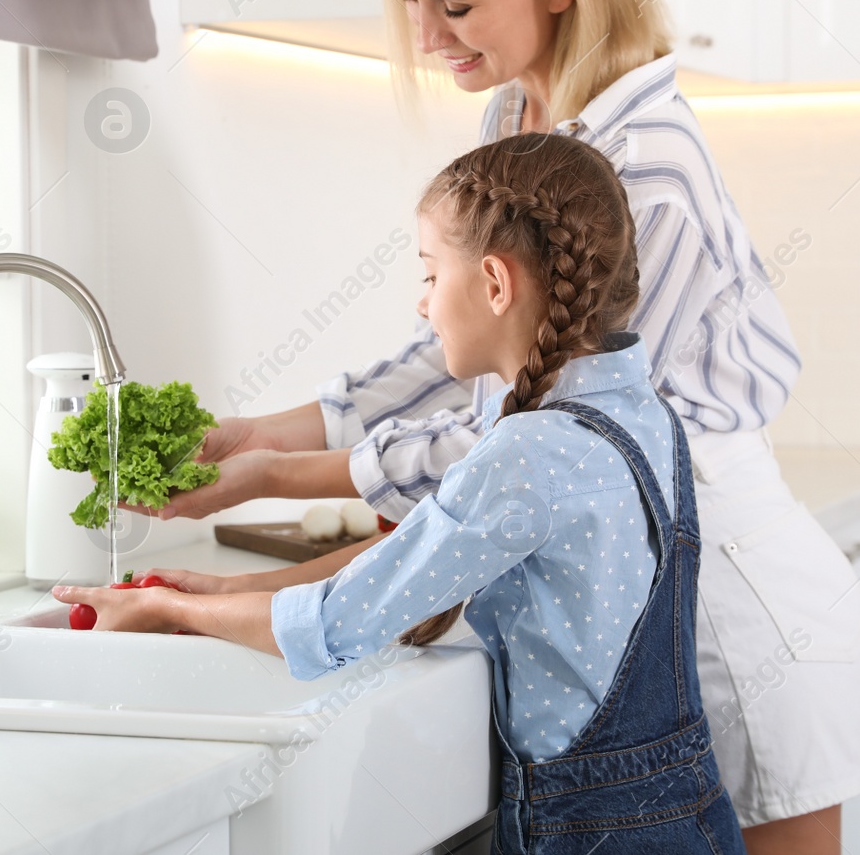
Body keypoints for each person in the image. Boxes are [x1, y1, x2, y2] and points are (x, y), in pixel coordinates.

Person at [130, 0, 860, 854]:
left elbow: (549, 434)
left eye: (456, 3)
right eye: (409, 0)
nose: (428, 37)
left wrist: (281, 475)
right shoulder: (520, 121)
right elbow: (466, 351)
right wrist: (262, 433)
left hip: (730, 602)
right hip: (632, 575)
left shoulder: (644, 164)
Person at [57, 134, 746, 852]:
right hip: (691, 813)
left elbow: (334, 624)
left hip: (592, 832)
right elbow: (410, 561)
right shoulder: (642, 414)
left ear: (495, 283)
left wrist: (171, 607)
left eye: (427, 273)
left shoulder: (527, 453)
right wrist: (212, 591)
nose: (422, 306)